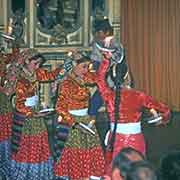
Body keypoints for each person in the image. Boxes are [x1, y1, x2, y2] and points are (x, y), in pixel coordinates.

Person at [95, 54, 171, 174]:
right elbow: (165, 110)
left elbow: (99, 78)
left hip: (115, 139)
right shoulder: (139, 96)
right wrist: (163, 120)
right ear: (127, 76)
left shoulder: (108, 95)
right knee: (136, 171)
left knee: (116, 170)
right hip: (135, 139)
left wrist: (106, 59)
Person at [9, 49, 72, 180]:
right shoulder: (19, 79)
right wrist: (32, 114)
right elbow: (18, 104)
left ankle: (40, 172)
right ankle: (26, 173)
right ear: (26, 61)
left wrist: (67, 62)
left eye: (39, 64)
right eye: (35, 63)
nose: (37, 67)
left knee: (40, 142)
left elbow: (52, 75)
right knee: (27, 144)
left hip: (36, 112)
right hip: (26, 116)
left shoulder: (36, 73)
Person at [53, 52, 105, 180]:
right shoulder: (66, 84)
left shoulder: (83, 78)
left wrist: (106, 61)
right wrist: (75, 124)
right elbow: (60, 107)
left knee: (91, 150)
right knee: (76, 154)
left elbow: (98, 77)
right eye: (83, 66)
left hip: (86, 120)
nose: (86, 70)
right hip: (73, 123)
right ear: (74, 65)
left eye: (88, 66)